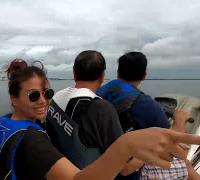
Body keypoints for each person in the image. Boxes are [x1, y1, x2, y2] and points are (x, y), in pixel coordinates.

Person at [0, 58, 200, 180]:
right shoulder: (33, 142)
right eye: (34, 95)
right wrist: (127, 145)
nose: (43, 101)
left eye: (47, 93)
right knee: (184, 165)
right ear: (14, 98)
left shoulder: (5, 123)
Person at [96, 51, 200, 179]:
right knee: (185, 165)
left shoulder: (100, 91)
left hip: (99, 163)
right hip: (126, 173)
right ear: (144, 75)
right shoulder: (145, 104)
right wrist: (180, 119)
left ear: (118, 72)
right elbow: (174, 143)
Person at [45, 50, 140, 179]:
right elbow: (124, 168)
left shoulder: (56, 98)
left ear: (74, 74)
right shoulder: (101, 108)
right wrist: (145, 153)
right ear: (102, 76)